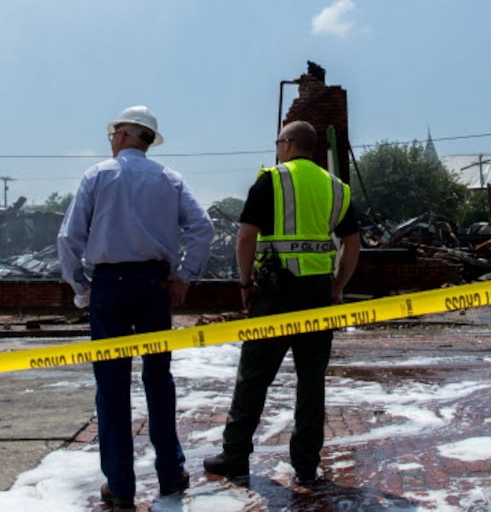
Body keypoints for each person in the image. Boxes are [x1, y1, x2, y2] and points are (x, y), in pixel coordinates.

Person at [57, 105, 215, 511]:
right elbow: (203, 228)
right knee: (158, 382)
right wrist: (183, 276)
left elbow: (69, 239)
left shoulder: (97, 175)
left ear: (126, 135)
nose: (111, 140)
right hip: (153, 287)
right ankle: (169, 474)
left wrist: (81, 288)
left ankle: (121, 487)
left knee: (111, 387)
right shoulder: (170, 179)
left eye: (114, 133)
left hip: (109, 287)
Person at [203, 120, 361, 486]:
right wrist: (337, 286)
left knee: (254, 377)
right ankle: (306, 465)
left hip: (275, 293)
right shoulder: (336, 188)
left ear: (288, 144)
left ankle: (235, 456)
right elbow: (352, 245)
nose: (277, 147)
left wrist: (244, 283)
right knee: (311, 382)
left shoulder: (271, 179)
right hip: (318, 294)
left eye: (278, 141)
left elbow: (245, 237)